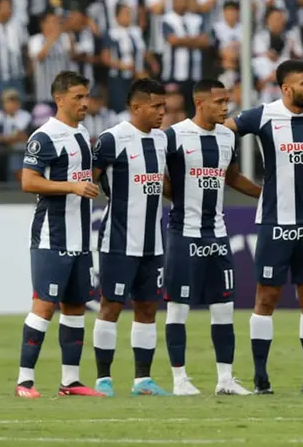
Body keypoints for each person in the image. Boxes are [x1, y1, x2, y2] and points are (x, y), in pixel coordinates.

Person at [226, 59, 303, 395]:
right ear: (286, 88)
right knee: (267, 298)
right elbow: (223, 129)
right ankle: (261, 378)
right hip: (275, 221)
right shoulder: (263, 115)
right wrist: (230, 169)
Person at [162, 79, 262, 396]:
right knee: (178, 307)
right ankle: (180, 380)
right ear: (200, 103)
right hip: (184, 233)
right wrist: (178, 196)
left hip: (217, 234)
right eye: (219, 102)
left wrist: (266, 195)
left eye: (227, 101)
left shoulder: (226, 137)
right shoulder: (173, 136)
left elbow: (232, 177)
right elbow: (159, 176)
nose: (225, 107)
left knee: (223, 307)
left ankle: (225, 380)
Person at [15, 71, 103, 398]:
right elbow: (28, 181)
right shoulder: (45, 136)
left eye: (86, 96)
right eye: (78, 97)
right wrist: (72, 186)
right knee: (44, 306)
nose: (85, 103)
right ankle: (24, 381)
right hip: (51, 237)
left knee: (76, 306)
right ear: (59, 99)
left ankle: (71, 381)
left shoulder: (81, 133)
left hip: (80, 237)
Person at [91, 78, 170, 397]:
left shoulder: (162, 139)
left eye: (164, 106)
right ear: (136, 107)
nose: (162, 112)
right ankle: (103, 380)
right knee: (110, 306)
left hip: (153, 242)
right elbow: (88, 180)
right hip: (118, 240)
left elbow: (164, 184)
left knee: (147, 308)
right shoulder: (112, 139)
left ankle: (142, 381)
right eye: (156, 106)